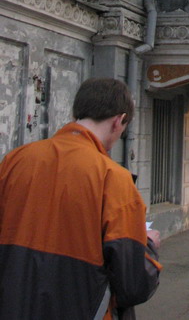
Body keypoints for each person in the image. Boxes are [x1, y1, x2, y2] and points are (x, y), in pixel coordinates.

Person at [0, 77, 162, 320]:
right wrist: (148, 245)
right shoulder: (114, 179)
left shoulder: (14, 160)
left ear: (77, 113)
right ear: (119, 121)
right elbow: (133, 285)